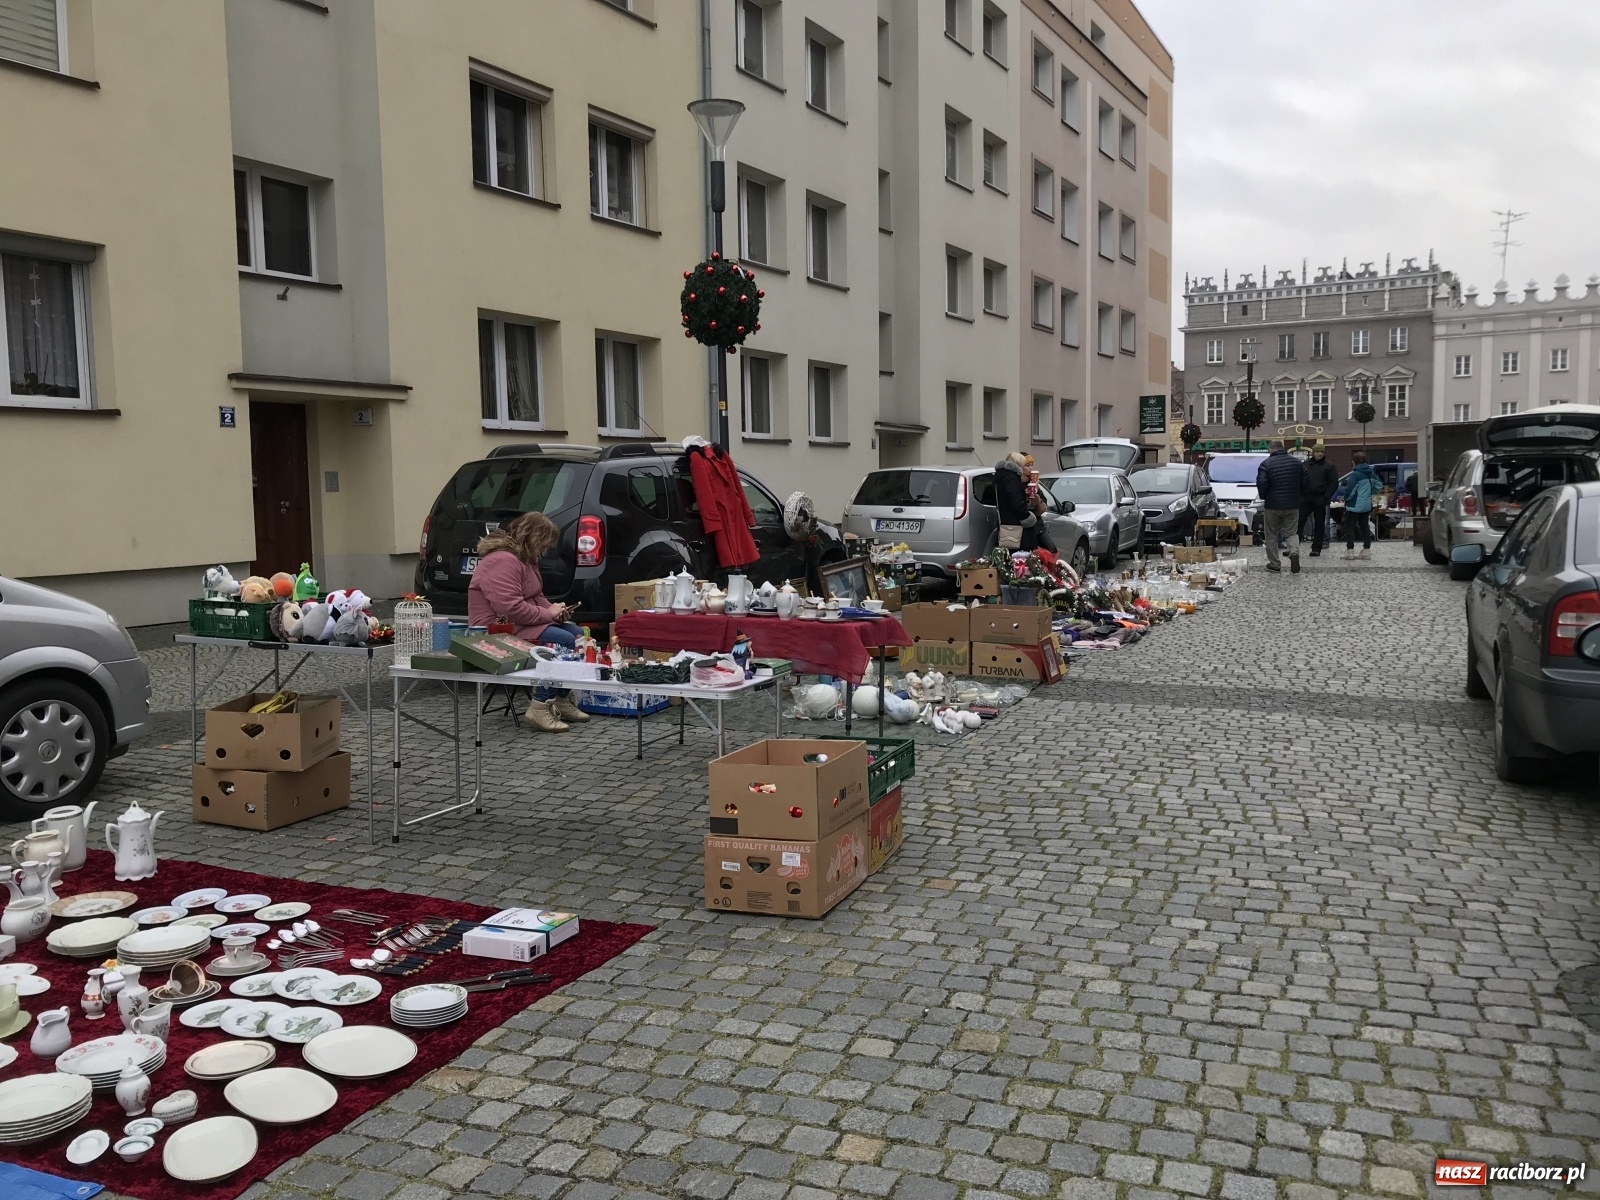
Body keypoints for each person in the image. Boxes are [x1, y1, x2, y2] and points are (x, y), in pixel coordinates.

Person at [467, 511, 590, 733]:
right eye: (545, 543)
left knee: (577, 634)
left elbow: (535, 596)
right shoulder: (503, 560)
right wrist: (548, 614)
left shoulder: (524, 558)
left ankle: (561, 699)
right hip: (496, 629)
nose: (546, 549)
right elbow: (510, 608)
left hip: (515, 624)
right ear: (533, 537)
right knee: (562, 641)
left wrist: (555, 611)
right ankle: (540, 707)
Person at [1255, 439, 1307, 574]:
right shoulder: (1297, 463)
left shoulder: (1266, 464)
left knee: (1271, 535)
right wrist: (1299, 495)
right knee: (1291, 532)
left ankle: (1274, 564)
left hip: (1272, 505)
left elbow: (1261, 482)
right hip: (1292, 504)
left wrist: (1264, 496)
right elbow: (1305, 481)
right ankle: (1294, 552)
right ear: (1283, 448)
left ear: (1271, 449)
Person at [995, 452, 1043, 551]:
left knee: (1011, 552)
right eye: (1024, 465)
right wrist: (1026, 516)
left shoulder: (1002, 477)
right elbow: (1016, 501)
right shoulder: (1013, 478)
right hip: (1016, 523)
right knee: (1023, 553)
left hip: (1007, 520)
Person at [1299, 442, 1339, 557]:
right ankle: (1294, 546)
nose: (1319, 454)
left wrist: (1326, 496)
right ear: (1313, 452)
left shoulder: (1329, 466)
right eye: (1317, 452)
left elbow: (1333, 483)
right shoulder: (1305, 465)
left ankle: (1316, 548)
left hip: (1320, 498)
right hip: (1305, 498)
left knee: (1319, 524)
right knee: (1299, 522)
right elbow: (1299, 480)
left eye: (1321, 452)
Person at [1342, 451, 1382, 560]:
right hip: (1366, 505)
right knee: (1365, 527)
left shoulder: (1355, 475)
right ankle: (1366, 550)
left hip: (1354, 505)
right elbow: (1379, 485)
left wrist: (1345, 499)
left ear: (1354, 462)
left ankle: (1350, 551)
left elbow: (1350, 491)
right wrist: (1370, 492)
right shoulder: (1371, 473)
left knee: (1350, 528)